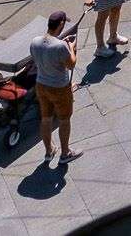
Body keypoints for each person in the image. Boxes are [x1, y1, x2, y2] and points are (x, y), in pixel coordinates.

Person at [30, 9, 81, 165]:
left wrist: (62, 44)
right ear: (61, 24)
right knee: (64, 120)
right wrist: (71, 47)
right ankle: (65, 153)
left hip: (41, 85)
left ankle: (49, 151)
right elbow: (71, 64)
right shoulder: (61, 46)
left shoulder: (35, 41)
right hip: (59, 88)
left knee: (46, 119)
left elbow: (40, 57)